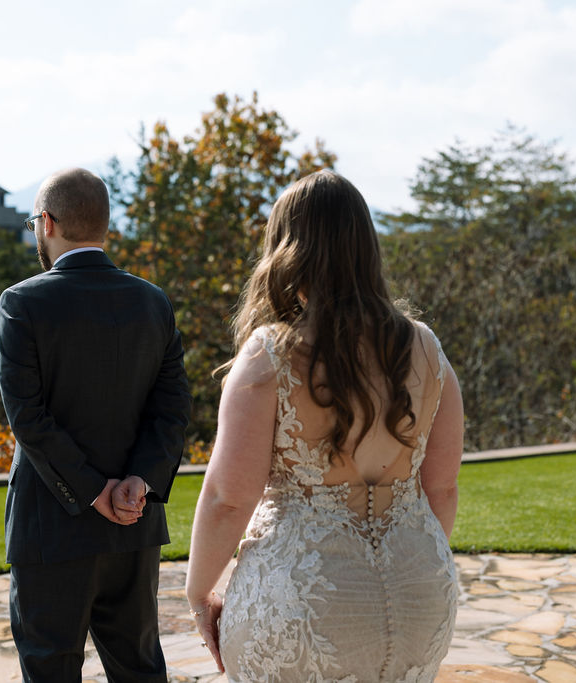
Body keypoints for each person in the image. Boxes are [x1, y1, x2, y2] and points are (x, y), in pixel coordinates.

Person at [185, 169, 464, 681]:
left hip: (307, 607)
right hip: (421, 592)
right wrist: (412, 558)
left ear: (288, 249)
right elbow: (441, 489)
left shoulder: (270, 353)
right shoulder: (427, 348)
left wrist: (198, 593)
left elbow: (228, 497)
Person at [0, 167, 191, 682]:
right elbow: (173, 412)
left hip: (50, 528)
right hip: (135, 524)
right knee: (140, 671)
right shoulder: (154, 302)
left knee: (50, 672)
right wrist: (137, 485)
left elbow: (27, 418)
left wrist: (90, 491)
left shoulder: (21, 303)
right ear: (105, 224)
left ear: (46, 222)